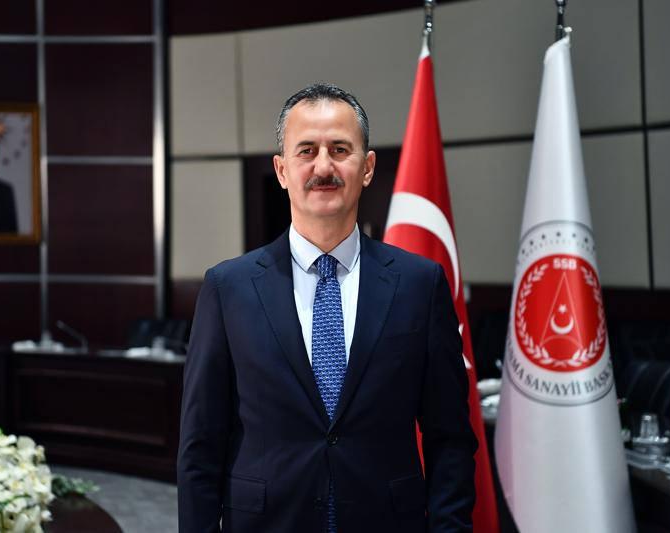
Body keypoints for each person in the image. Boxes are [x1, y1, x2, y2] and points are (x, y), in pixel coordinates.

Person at [177, 84, 477, 532]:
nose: (323, 167)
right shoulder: (228, 288)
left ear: (367, 167)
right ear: (282, 170)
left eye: (340, 149)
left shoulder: (420, 284)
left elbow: (449, 439)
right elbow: (200, 445)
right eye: (306, 151)